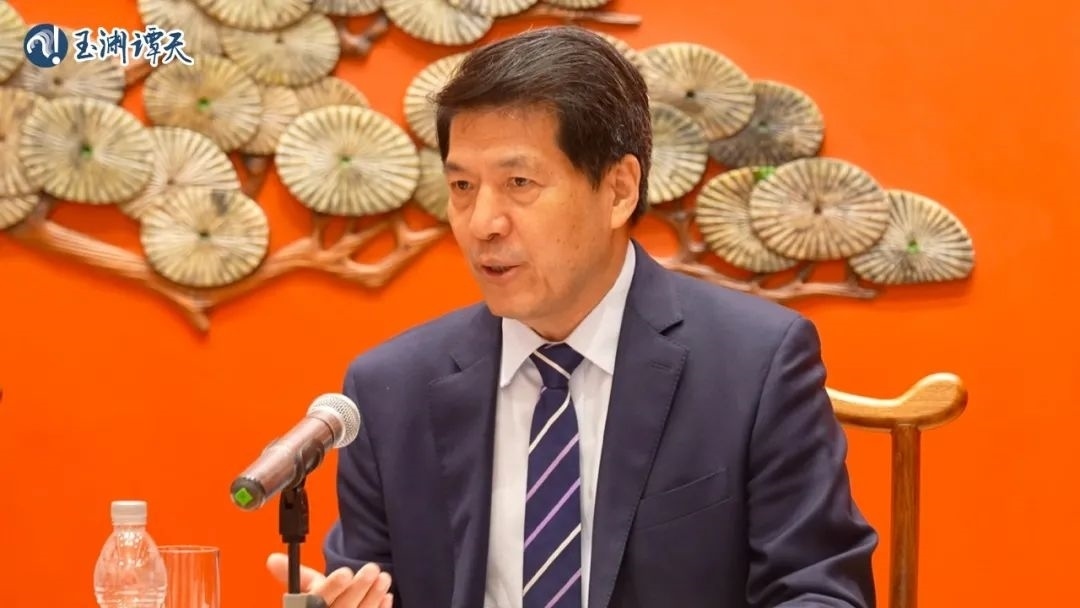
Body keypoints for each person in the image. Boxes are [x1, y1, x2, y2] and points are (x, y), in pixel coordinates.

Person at [267, 25, 878, 608]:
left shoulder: (755, 365)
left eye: (519, 182)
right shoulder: (389, 391)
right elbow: (372, 585)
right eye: (462, 187)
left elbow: (820, 590)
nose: (482, 224)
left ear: (618, 190)